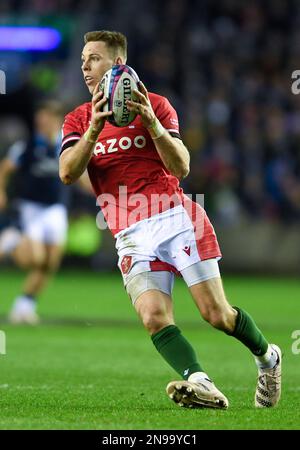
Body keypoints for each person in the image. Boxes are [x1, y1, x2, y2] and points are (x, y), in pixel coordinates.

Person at [59, 30, 282, 409]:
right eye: (83, 58)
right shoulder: (79, 119)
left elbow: (181, 166)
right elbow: (67, 172)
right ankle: (200, 382)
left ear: (118, 65)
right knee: (153, 317)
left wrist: (152, 124)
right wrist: (95, 129)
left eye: (93, 58)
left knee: (216, 315)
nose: (84, 65)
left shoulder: (157, 104)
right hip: (129, 232)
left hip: (175, 218)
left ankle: (268, 359)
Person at [0, 101, 68, 325]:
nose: (42, 122)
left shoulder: (66, 144)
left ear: (56, 120)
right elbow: (6, 168)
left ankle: (25, 305)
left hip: (56, 208)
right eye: (40, 118)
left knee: (50, 263)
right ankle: (12, 241)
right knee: (35, 259)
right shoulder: (27, 145)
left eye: (46, 118)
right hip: (31, 207)